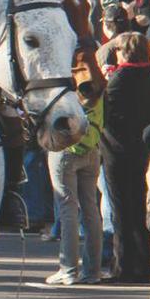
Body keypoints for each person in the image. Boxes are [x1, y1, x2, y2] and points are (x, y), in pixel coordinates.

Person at [100, 30, 150, 285]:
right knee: (137, 206)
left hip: (116, 150)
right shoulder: (149, 77)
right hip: (141, 148)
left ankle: (123, 266)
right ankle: (143, 264)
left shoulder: (119, 78)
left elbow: (108, 114)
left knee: (120, 210)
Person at [46, 89, 104, 286]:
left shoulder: (65, 90)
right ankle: (93, 271)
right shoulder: (98, 87)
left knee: (67, 210)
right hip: (92, 150)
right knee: (91, 210)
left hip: (65, 149)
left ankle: (68, 270)